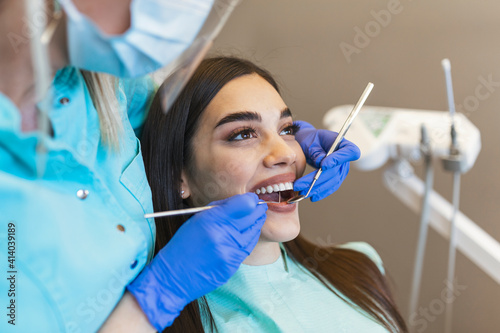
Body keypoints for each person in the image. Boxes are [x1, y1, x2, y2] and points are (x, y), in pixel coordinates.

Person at [0, 2, 360, 332]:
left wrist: (286, 136)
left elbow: (179, 119)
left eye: (289, 129)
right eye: (243, 134)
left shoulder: (110, 88)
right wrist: (160, 295)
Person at [141, 57, 407, 332]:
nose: (287, 153)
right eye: (243, 134)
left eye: (287, 129)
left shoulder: (360, 268)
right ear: (178, 176)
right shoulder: (157, 320)